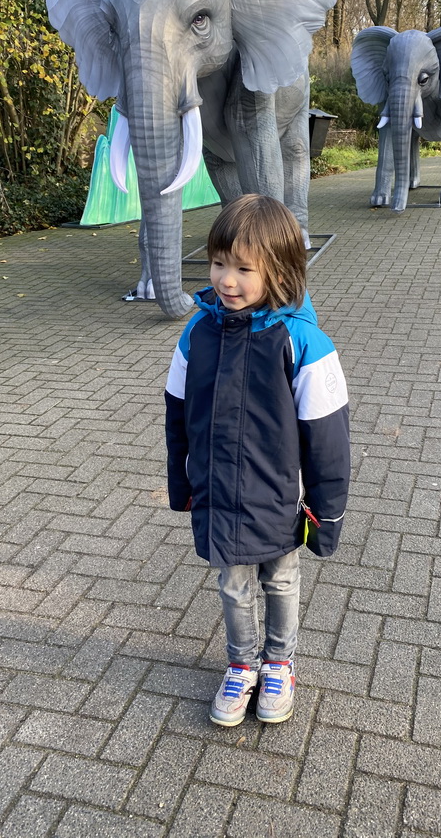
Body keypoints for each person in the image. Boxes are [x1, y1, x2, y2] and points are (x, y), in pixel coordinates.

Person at [165, 193, 350, 727]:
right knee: (232, 583)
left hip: (278, 499)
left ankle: (279, 662)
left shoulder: (303, 343)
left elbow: (329, 438)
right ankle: (241, 665)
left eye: (245, 269)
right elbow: (176, 413)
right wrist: (183, 485)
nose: (226, 280)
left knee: (280, 579)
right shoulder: (197, 332)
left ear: (281, 271)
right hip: (218, 492)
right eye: (219, 263)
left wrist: (326, 515)